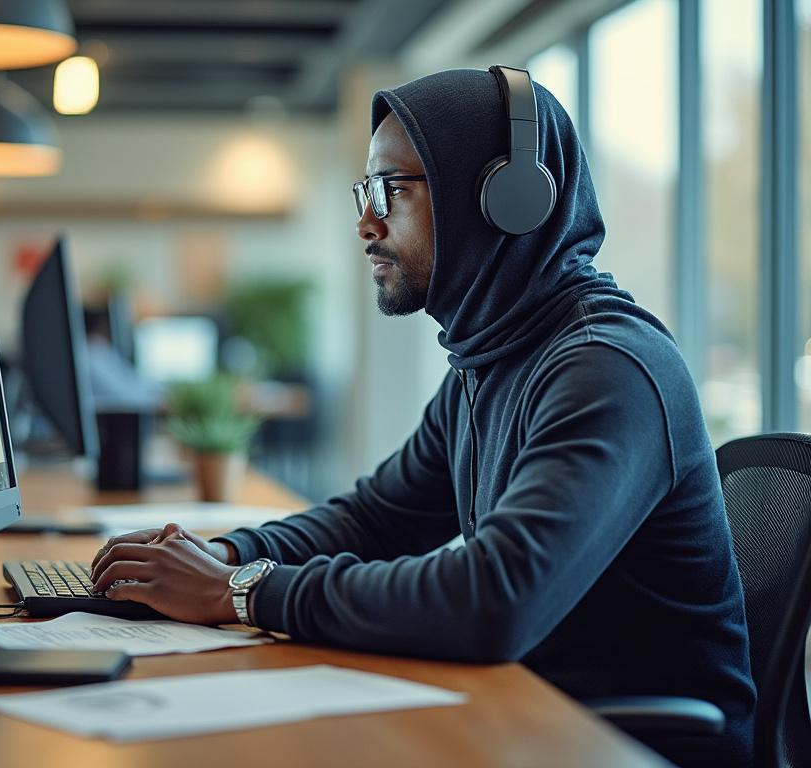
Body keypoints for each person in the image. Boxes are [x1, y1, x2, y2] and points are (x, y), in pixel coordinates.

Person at [89, 67, 755, 767]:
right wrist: (225, 555)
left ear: (507, 200)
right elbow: (375, 519)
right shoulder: (489, 358)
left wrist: (240, 593)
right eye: (365, 190)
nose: (366, 221)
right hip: (529, 719)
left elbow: (496, 599)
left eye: (392, 190)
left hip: (624, 745)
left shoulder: (606, 370)